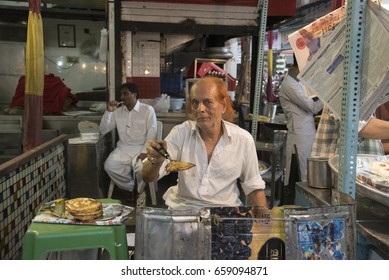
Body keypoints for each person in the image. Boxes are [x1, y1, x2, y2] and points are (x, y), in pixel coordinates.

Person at [142, 76, 267, 211]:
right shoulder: (181, 133)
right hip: (184, 212)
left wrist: (264, 223)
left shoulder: (243, 140)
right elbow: (148, 177)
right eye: (195, 103)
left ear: (223, 106)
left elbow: (254, 188)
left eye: (208, 102)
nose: (200, 109)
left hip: (225, 214)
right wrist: (156, 160)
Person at [100, 82, 157, 198]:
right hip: (123, 149)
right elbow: (103, 129)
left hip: (141, 147)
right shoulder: (117, 112)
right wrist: (109, 112)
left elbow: (152, 132)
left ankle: (140, 191)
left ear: (134, 95)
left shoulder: (147, 110)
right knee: (109, 166)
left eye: (126, 94)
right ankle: (130, 188)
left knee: (142, 168)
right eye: (121, 94)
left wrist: (145, 152)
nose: (122, 97)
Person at [279, 56, 323, 204]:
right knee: (296, 179)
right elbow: (313, 107)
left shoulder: (299, 82)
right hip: (299, 140)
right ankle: (290, 212)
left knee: (302, 178)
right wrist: (329, 93)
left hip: (306, 137)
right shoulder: (290, 85)